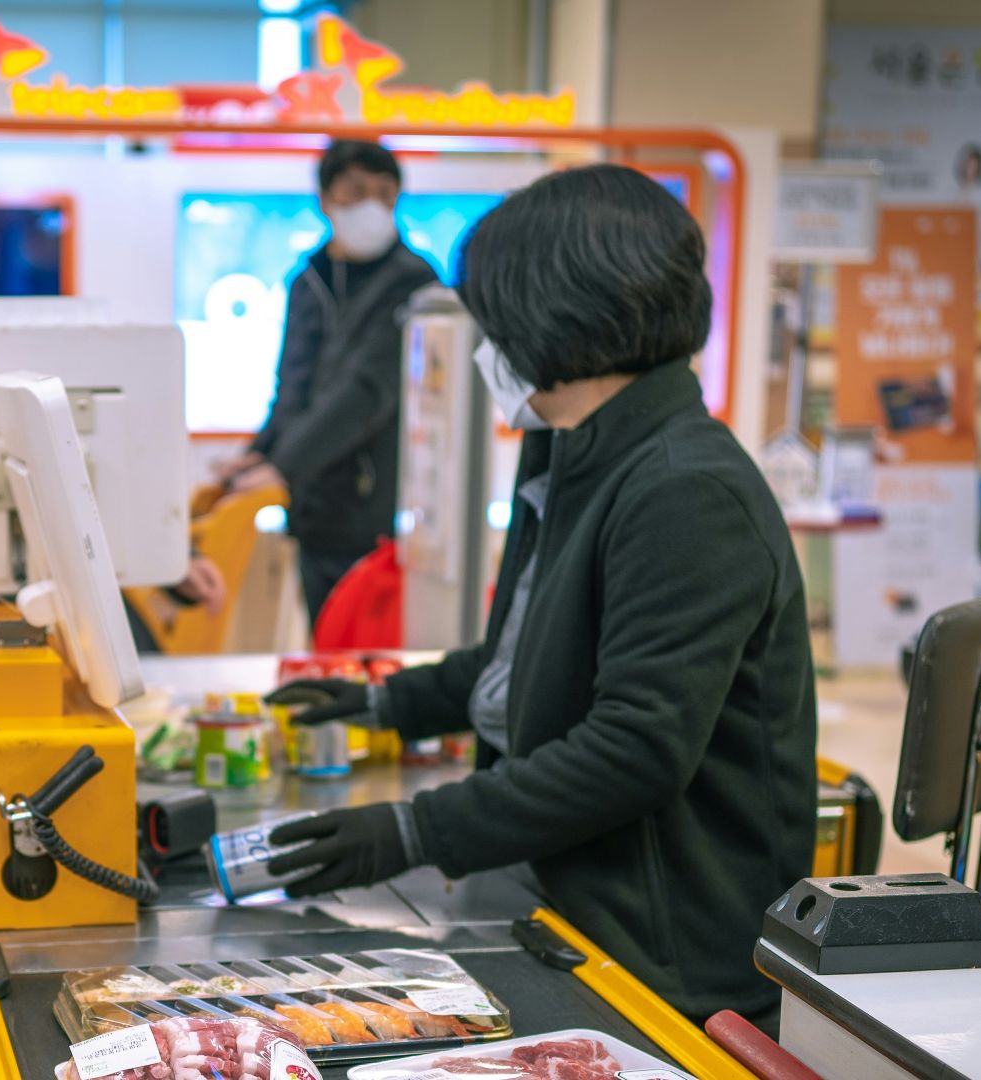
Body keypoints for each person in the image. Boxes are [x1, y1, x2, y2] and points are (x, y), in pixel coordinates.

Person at [266, 165, 818, 1026]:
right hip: (562, 896)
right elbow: (528, 657)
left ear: (554, 314)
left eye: (491, 314)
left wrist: (417, 831)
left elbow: (635, 749)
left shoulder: (683, 490)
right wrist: (385, 701)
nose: (485, 339)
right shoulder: (576, 451)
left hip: (659, 957)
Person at [214, 140, 439, 625]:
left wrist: (283, 466)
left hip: (370, 504)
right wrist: (262, 453)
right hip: (313, 503)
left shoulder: (413, 283)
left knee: (360, 642)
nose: (372, 206)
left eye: (385, 193)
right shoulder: (309, 280)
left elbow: (367, 392)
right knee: (324, 631)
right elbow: (292, 384)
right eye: (357, 191)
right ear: (326, 198)